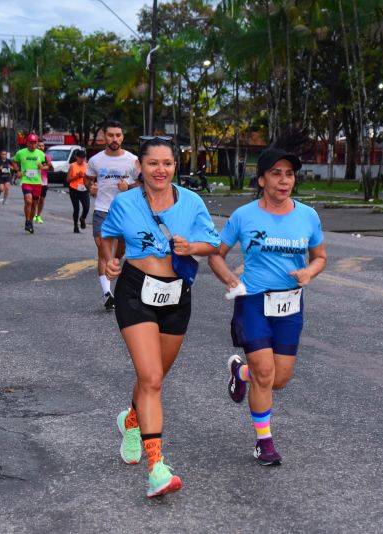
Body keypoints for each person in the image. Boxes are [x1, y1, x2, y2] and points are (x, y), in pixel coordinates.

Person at [100, 137, 220, 498]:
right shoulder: (124, 203)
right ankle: (157, 469)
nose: (161, 170)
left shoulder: (192, 202)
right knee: (150, 377)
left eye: (167, 163)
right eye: (153, 163)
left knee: (154, 376)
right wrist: (108, 259)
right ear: (141, 166)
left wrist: (192, 247)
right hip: (136, 291)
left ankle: (132, 421)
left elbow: (213, 243)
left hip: (176, 295)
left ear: (174, 165)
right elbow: (107, 237)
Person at [207, 147, 327, 466]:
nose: (284, 180)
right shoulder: (244, 216)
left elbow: (320, 257)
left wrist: (308, 272)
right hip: (254, 301)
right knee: (265, 371)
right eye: (276, 173)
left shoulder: (307, 216)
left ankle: (239, 373)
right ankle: (264, 442)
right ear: (261, 180)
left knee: (279, 379)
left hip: (290, 303)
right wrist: (230, 278)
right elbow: (215, 253)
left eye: (289, 174)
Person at [85, 120, 140, 309]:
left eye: (118, 135)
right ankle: (107, 293)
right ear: (104, 137)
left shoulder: (133, 160)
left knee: (119, 253)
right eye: (111, 135)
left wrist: (129, 187)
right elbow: (88, 179)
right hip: (102, 210)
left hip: (125, 213)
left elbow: (143, 184)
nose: (115, 139)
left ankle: (114, 272)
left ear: (122, 136)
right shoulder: (95, 160)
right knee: (102, 249)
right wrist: (90, 187)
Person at [11, 134, 50, 234]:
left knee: (34, 204)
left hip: (37, 182)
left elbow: (47, 166)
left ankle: (30, 222)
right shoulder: (21, 152)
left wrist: (42, 167)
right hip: (26, 180)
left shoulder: (41, 154)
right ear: (27, 143)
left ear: (37, 143)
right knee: (28, 200)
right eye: (30, 143)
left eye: (34, 143)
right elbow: (14, 161)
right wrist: (17, 171)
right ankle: (27, 221)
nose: (32, 145)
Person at [67, 149, 90, 233]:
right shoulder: (72, 166)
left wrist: (90, 185)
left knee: (86, 207)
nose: (82, 160)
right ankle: (75, 226)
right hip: (74, 189)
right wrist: (77, 176)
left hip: (84, 189)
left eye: (83, 158)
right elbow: (68, 179)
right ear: (76, 157)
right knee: (76, 209)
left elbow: (90, 178)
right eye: (80, 158)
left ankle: (82, 218)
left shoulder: (87, 166)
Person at [33, 141, 53, 224]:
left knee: (42, 199)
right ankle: (33, 214)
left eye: (42, 146)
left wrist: (44, 167)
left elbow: (50, 167)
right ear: (36, 146)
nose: (41, 147)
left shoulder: (47, 157)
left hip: (44, 181)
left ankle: (38, 215)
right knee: (35, 200)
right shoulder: (33, 156)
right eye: (39, 146)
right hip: (34, 180)